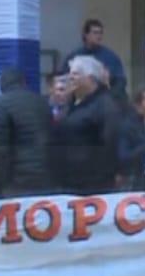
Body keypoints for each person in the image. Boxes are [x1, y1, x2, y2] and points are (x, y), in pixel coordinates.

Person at [53, 55, 124, 195]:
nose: (70, 78)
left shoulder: (105, 105)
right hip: (66, 180)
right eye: (70, 73)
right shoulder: (69, 105)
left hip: (93, 183)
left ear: (91, 79)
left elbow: (111, 142)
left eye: (76, 74)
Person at [0, 68, 52, 196]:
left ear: (1, 86)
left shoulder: (0, 105)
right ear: (23, 83)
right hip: (47, 172)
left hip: (18, 178)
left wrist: (0, 180)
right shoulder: (41, 101)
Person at [72, 19, 128, 96]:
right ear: (86, 34)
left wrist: (111, 96)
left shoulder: (110, 57)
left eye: (100, 33)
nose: (98, 36)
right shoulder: (74, 57)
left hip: (104, 97)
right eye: (95, 33)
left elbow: (120, 81)